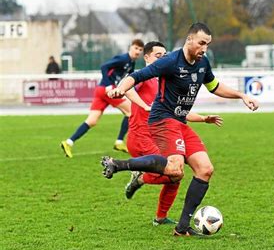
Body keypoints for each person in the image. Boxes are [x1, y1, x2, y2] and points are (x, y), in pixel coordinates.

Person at [105, 22, 259, 236]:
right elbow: (136, 76)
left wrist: (242, 95)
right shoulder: (170, 61)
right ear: (189, 40)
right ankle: (120, 164)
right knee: (175, 169)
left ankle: (182, 227)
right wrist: (121, 89)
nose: (204, 48)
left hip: (180, 122)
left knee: (205, 169)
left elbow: (215, 87)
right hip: (162, 120)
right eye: (201, 43)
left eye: (208, 44)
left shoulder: (203, 63)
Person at [106, 40, 223, 226]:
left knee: (175, 176)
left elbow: (177, 111)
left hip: (161, 134)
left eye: (165, 55)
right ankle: (139, 176)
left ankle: (160, 217)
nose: (163, 59)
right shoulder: (145, 78)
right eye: (158, 56)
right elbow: (127, 88)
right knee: (174, 172)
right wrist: (144, 106)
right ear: (146, 57)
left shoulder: (164, 79)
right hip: (142, 136)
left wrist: (202, 118)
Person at [60, 39, 144, 158]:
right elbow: (104, 66)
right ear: (130, 48)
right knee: (131, 111)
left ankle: (68, 142)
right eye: (136, 48)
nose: (138, 51)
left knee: (92, 120)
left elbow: (128, 78)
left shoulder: (131, 63)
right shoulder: (123, 59)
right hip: (107, 90)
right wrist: (108, 85)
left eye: (140, 50)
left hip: (101, 90)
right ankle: (119, 142)